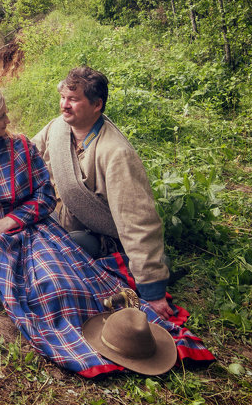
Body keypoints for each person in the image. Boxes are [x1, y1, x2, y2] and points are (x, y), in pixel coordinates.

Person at [0, 85, 212, 377]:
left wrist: (10, 221)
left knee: (56, 281)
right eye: (1, 116)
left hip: (32, 226)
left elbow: (44, 198)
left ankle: (113, 333)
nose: (8, 120)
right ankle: (43, 297)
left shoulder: (20, 147)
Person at [31, 67, 175, 319]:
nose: (64, 105)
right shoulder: (57, 128)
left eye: (73, 100)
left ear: (97, 105)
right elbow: (27, 156)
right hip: (53, 218)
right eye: (63, 97)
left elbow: (138, 221)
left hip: (93, 236)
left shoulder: (116, 154)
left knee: (52, 262)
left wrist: (152, 288)